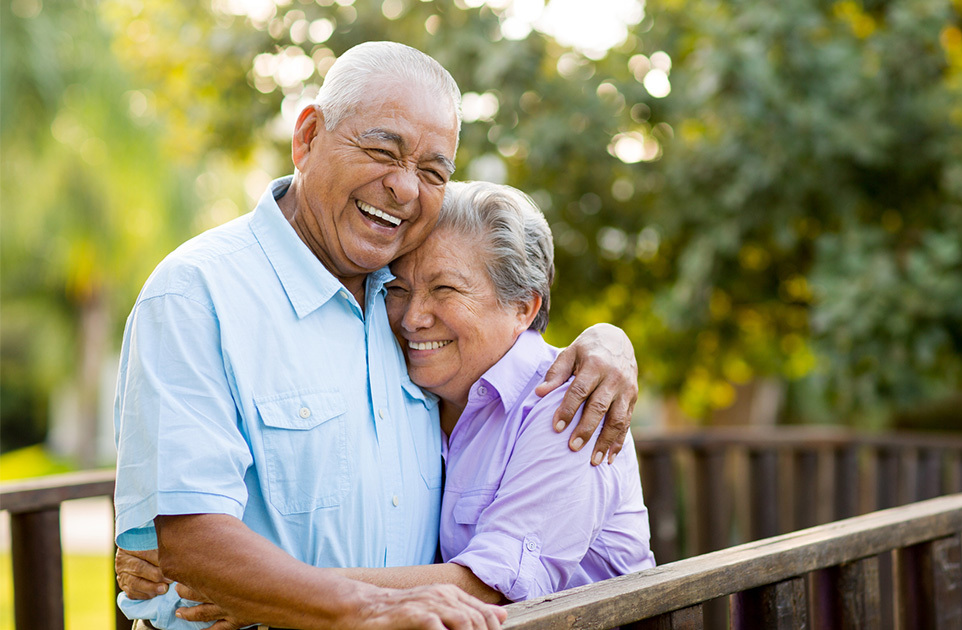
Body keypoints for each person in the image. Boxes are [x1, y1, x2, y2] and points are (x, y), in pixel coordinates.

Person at [113, 42, 638, 630]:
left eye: (434, 171)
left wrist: (607, 340)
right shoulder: (196, 294)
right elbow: (192, 543)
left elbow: (501, 333)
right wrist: (351, 605)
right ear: (307, 137)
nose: (406, 189)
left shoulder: (401, 302)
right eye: (382, 150)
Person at [152, 180, 654, 627]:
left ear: (523, 307)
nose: (413, 317)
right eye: (399, 290)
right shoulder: (419, 390)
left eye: (445, 289)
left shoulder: (572, 405)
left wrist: (269, 592)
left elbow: (490, 586)